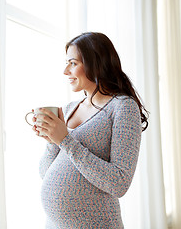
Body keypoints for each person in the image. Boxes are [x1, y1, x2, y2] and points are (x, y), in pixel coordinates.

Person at [32, 32, 148, 228]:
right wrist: (52, 141)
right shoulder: (69, 109)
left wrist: (65, 141)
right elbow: (46, 173)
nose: (65, 71)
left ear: (96, 63)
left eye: (73, 63)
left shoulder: (122, 106)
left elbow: (119, 183)